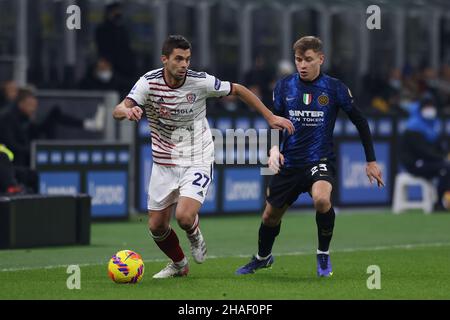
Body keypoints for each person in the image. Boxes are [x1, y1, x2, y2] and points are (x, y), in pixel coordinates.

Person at [112, 35, 294, 279]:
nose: (184, 64)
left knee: (185, 217)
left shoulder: (200, 81)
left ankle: (194, 234)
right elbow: (118, 109)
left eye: (187, 59)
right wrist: (128, 110)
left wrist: (270, 117)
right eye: (178, 59)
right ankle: (178, 264)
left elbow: (238, 89)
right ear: (164, 59)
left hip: (197, 156)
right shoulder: (148, 82)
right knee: (156, 226)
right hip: (163, 162)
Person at [235, 36, 384, 277]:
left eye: (308, 60)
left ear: (320, 59)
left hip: (320, 160)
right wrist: (273, 150)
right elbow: (274, 122)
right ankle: (263, 258)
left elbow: (360, 121)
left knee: (322, 200)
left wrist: (371, 161)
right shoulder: (284, 87)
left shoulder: (335, 88)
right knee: (270, 216)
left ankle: (323, 255)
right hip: (290, 162)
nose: (302, 65)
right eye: (298, 60)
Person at [0, 88, 104, 167]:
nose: (33, 109)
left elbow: (35, 131)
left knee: (55, 114)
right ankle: (89, 124)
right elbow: (11, 145)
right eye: (30, 105)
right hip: (10, 162)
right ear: (21, 104)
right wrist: (32, 152)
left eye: (35, 106)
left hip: (25, 156)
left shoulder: (25, 119)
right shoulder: (7, 118)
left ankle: (89, 124)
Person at [399, 96, 450, 210]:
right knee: (446, 167)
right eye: (427, 107)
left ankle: (442, 201)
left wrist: (444, 155)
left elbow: (439, 148)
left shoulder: (432, 126)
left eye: (432, 107)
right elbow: (423, 151)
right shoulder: (413, 127)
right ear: (421, 109)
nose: (430, 110)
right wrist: (443, 158)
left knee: (446, 168)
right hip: (415, 164)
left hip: (429, 162)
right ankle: (439, 203)